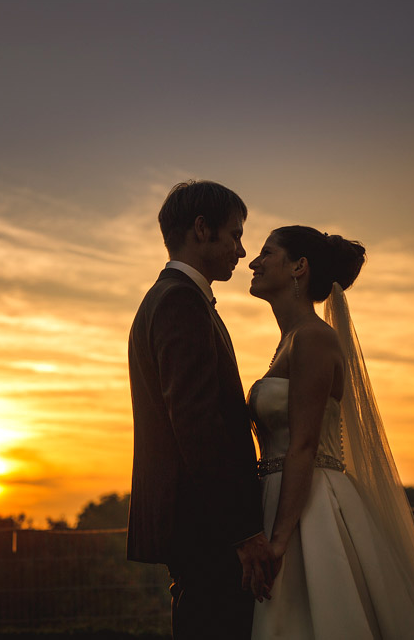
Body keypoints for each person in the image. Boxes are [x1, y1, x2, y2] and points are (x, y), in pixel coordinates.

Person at [247, 225, 414, 639]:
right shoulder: (289, 341)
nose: (254, 262)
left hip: (307, 509)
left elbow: (304, 444)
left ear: (298, 267)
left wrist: (280, 543)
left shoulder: (314, 339)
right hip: (276, 497)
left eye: (267, 253)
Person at [127, 180, 276, 639]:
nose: (241, 248)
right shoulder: (179, 302)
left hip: (198, 519)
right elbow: (196, 424)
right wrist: (242, 532)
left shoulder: (172, 298)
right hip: (205, 523)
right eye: (234, 234)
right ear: (201, 229)